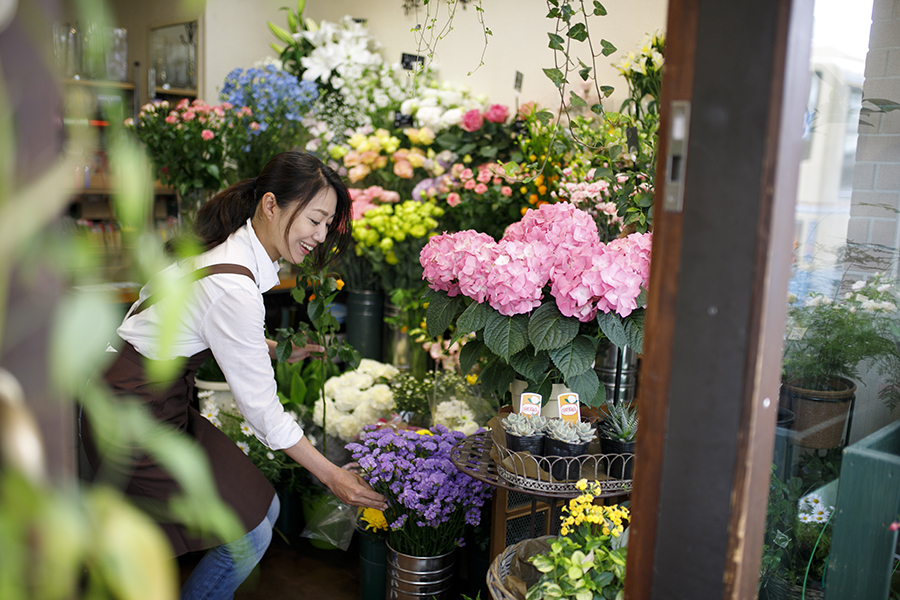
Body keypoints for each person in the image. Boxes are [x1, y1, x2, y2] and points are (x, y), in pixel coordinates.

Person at [80, 151, 386, 600]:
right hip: (130, 416)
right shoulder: (234, 285)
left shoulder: (225, 250)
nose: (320, 236)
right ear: (270, 205)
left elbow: (182, 317)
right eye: (315, 220)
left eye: (327, 225)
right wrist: (332, 475)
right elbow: (261, 410)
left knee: (264, 507)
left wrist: (271, 348)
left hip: (149, 398)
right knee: (249, 536)